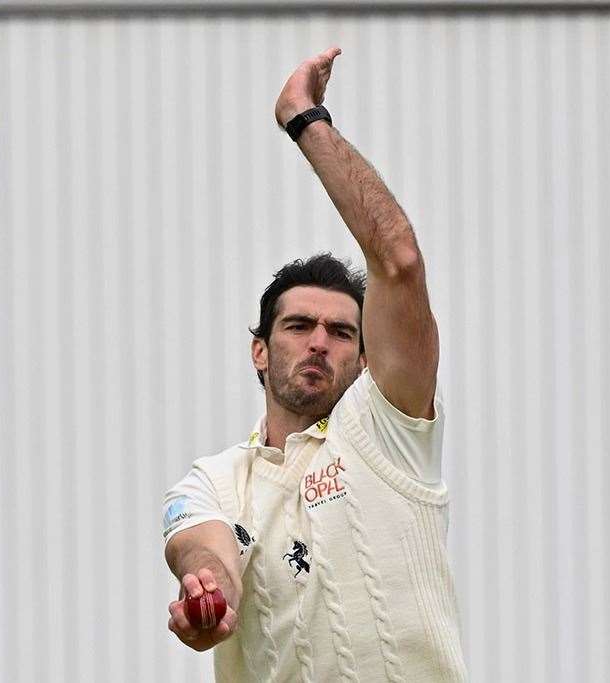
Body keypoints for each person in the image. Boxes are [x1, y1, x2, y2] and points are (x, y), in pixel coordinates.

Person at [162, 47, 467, 682]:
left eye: (341, 331)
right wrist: (207, 594)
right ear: (260, 350)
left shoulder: (390, 432)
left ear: (364, 358)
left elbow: (399, 261)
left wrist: (306, 120)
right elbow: (206, 548)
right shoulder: (218, 479)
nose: (319, 342)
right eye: (298, 326)